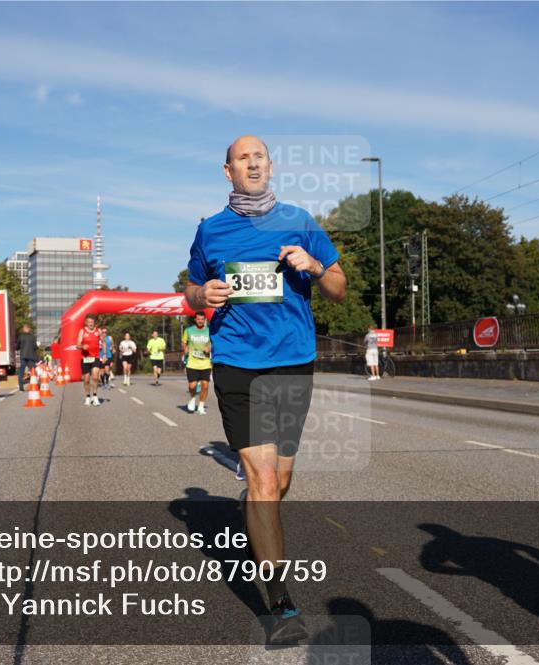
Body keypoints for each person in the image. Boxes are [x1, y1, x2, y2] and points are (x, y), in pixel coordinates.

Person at [184, 135, 346, 645]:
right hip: (236, 364)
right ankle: (280, 607)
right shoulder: (210, 231)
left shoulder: (299, 220)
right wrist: (200, 294)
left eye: (260, 157)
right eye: (242, 158)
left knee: (281, 481)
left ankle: (253, 509)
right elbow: (189, 289)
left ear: (270, 167)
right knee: (264, 482)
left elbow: (339, 288)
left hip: (293, 363)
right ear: (227, 171)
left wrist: (315, 267)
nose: (252, 163)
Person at [182, 311, 212, 416]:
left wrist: (209, 348)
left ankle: (201, 406)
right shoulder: (189, 330)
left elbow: (214, 343)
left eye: (202, 319)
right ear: (195, 319)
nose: (200, 321)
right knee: (192, 386)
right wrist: (185, 348)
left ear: (204, 320)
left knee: (205, 385)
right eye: (198, 319)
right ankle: (193, 397)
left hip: (205, 363)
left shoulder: (209, 331)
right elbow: (183, 342)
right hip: (192, 363)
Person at [77, 314, 103, 406]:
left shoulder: (98, 330)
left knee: (95, 377)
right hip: (85, 358)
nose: (90, 324)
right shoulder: (82, 331)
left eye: (92, 322)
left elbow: (103, 342)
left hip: (95, 357)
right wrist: (82, 346)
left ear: (94, 323)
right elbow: (77, 345)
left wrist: (104, 354)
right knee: (86, 379)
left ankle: (95, 396)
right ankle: (88, 397)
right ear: (86, 323)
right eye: (89, 322)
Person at [16, 323, 39, 391]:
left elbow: (17, 347)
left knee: (21, 372)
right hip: (31, 356)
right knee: (33, 371)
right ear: (29, 329)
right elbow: (35, 347)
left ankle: (21, 387)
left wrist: (20, 347)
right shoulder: (32, 337)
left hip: (23, 356)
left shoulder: (20, 336)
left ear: (24, 329)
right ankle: (34, 385)